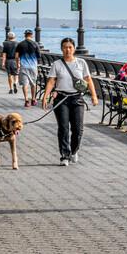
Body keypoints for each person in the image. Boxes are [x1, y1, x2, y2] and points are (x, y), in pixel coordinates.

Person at [42, 37, 97, 166]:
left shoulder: (81, 63)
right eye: (65, 47)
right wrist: (45, 96)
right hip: (61, 99)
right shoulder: (57, 64)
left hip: (77, 98)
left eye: (70, 47)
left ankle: (74, 150)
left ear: (74, 48)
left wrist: (94, 96)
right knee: (63, 128)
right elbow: (51, 81)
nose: (68, 50)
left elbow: (88, 79)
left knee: (78, 129)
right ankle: (64, 156)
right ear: (61, 49)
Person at [15, 29, 41, 107]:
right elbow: (39, 56)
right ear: (32, 35)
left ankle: (26, 100)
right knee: (33, 84)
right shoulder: (35, 44)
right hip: (33, 67)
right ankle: (33, 99)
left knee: (25, 84)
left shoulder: (20, 44)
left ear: (25, 35)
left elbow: (16, 56)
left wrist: (18, 64)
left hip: (24, 66)